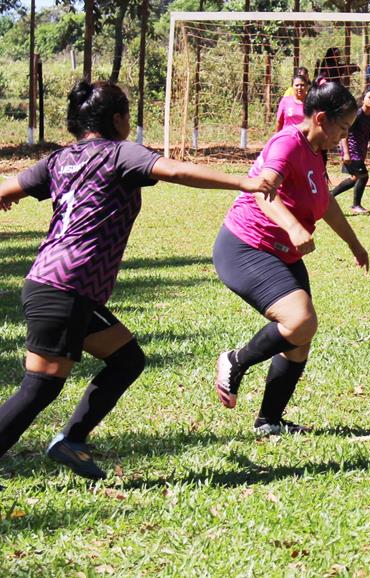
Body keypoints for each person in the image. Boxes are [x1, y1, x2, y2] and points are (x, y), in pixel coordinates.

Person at [0, 80, 277, 479]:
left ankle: (72, 440)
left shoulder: (59, 160)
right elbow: (177, 170)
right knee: (39, 388)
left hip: (55, 286)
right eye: (127, 115)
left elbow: (8, 188)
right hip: (66, 290)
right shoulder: (119, 154)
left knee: (127, 358)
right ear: (116, 119)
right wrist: (245, 182)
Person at [213, 81, 369, 437]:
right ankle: (235, 361)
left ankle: (269, 421)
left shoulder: (316, 149)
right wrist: (294, 227)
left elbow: (325, 201)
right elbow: (264, 189)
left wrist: (354, 244)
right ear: (321, 119)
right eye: (343, 128)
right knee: (300, 321)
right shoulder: (287, 142)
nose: (344, 138)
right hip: (246, 246)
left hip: (282, 253)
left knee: (300, 337)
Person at [331, 88, 370, 214]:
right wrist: (346, 152)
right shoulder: (357, 115)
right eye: (369, 97)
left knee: (355, 178)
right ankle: (356, 205)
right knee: (363, 176)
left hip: (360, 150)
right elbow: (344, 133)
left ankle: (329, 196)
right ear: (363, 99)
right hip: (351, 150)